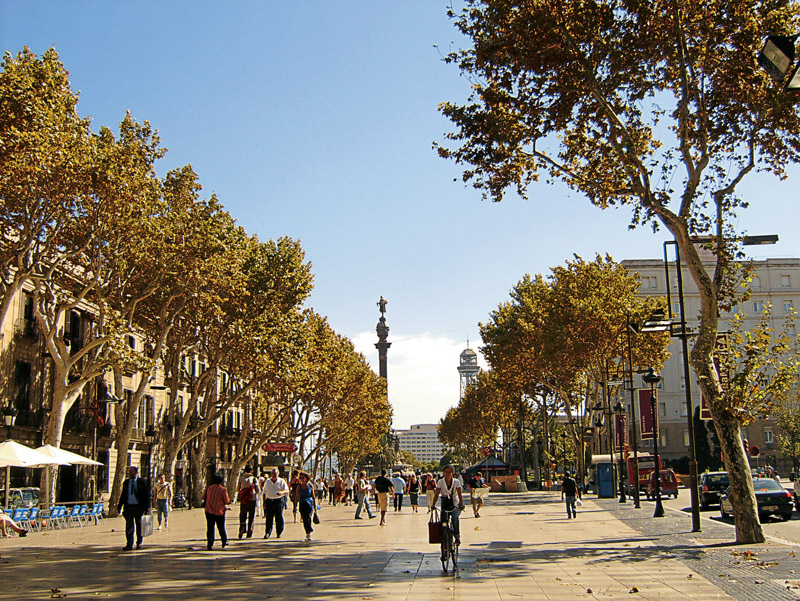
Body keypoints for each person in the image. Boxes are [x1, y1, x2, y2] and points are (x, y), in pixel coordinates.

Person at [116, 465, 150, 551]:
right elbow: (123, 495)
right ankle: (129, 544)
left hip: (138, 507)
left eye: (130, 471)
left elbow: (146, 495)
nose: (129, 473)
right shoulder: (126, 483)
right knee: (129, 527)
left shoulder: (141, 482)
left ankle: (139, 542)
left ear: (135, 472)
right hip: (128, 507)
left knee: (139, 526)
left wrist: (147, 507)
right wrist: (119, 507)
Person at [432, 466, 465, 544]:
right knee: (443, 522)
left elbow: (460, 494)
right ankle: (443, 543)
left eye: (449, 472)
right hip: (445, 505)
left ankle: (457, 536)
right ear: (443, 473)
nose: (447, 474)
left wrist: (462, 504)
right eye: (446, 472)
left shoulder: (457, 482)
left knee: (454, 518)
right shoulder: (440, 482)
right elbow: (436, 494)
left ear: (452, 473)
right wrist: (433, 504)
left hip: (455, 504)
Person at [202, 472, 230, 550]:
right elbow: (227, 501)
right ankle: (224, 541)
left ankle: (210, 544)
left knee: (210, 527)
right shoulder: (223, 490)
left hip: (209, 510)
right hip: (219, 511)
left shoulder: (208, 488)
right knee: (221, 527)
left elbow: (203, 497)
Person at [263, 468, 289, 538]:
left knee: (279, 517)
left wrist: (281, 492)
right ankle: (267, 533)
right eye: (273, 473)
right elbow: (264, 492)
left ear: (278, 474)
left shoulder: (281, 481)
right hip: (269, 501)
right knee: (269, 518)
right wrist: (264, 503)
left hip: (278, 501)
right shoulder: (267, 482)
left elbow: (287, 491)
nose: (274, 475)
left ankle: (279, 532)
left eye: (275, 473)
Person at [236, 466, 259, 539]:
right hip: (252, 499)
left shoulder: (241, 478)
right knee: (251, 516)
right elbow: (258, 489)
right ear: (252, 471)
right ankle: (250, 530)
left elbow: (237, 489)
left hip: (243, 500)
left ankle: (242, 526)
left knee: (242, 515)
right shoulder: (254, 479)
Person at [297, 471, 316, 541]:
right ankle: (308, 532)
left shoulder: (310, 486)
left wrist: (315, 505)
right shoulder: (299, 487)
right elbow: (297, 497)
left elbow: (313, 496)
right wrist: (296, 506)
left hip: (309, 504)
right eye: (300, 478)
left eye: (303, 478)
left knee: (308, 517)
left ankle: (309, 531)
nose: (301, 479)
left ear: (306, 478)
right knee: (304, 519)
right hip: (302, 504)